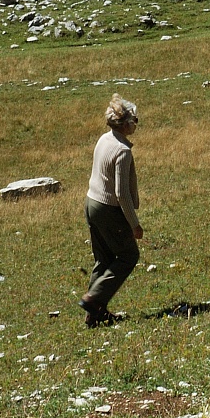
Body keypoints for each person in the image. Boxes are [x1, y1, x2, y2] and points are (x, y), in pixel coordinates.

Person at [80, 94, 144, 327]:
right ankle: (93, 299)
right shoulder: (122, 151)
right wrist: (134, 224)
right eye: (134, 120)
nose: (136, 124)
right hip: (108, 210)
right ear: (125, 124)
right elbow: (121, 193)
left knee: (104, 259)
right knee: (129, 256)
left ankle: (95, 314)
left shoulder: (104, 139)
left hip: (91, 203)